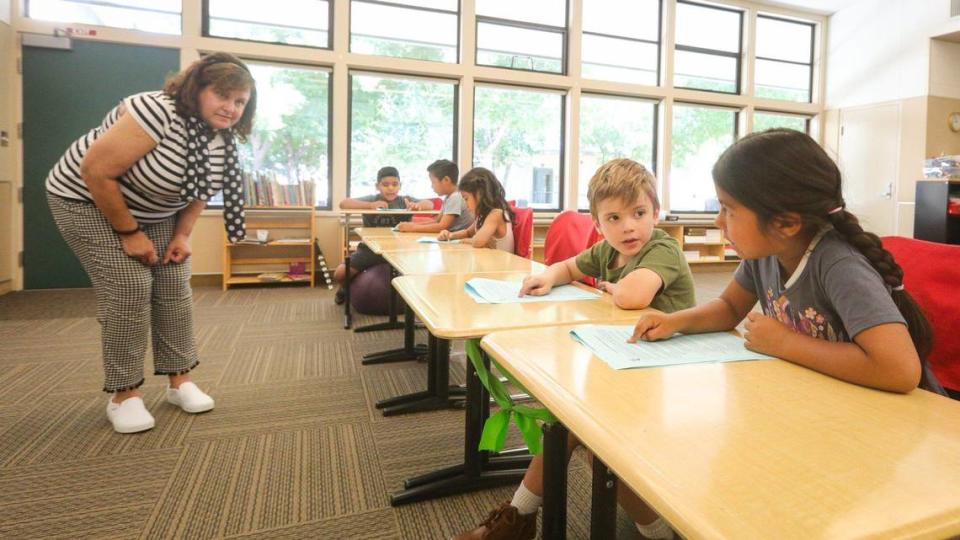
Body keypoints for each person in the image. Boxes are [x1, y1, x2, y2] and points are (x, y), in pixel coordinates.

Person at [454, 159, 696, 540]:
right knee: (567, 419)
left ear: (656, 213)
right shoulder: (606, 250)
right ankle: (519, 515)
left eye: (639, 213)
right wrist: (547, 278)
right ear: (597, 224)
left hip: (672, 369)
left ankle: (656, 532)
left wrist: (617, 290)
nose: (628, 226)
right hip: (628, 359)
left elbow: (634, 297)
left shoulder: (662, 248)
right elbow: (567, 267)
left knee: (592, 439)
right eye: (614, 218)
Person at [631, 129, 946, 397]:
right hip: (827, 398)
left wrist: (785, 343)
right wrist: (676, 322)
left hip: (896, 422)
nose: (718, 220)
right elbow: (729, 307)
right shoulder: (765, 254)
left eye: (729, 209)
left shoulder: (838, 265)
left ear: (786, 223)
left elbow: (899, 370)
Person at [45, 52, 257, 434]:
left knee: (174, 284)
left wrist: (181, 236)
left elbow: (199, 192)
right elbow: (95, 171)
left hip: (157, 212)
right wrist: (129, 233)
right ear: (197, 90)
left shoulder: (222, 139)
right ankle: (124, 395)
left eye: (240, 101)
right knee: (130, 286)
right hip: (85, 198)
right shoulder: (157, 112)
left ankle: (180, 381)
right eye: (222, 96)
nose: (231, 108)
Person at [333, 166, 431, 304]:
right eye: (385, 185)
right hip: (370, 249)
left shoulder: (405, 200)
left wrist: (418, 205)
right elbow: (343, 203)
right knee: (340, 274)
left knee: (422, 271)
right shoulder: (372, 199)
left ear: (400, 186)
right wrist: (370, 205)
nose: (390, 188)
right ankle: (345, 288)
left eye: (395, 184)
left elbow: (430, 203)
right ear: (377, 186)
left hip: (399, 250)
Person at [437, 167, 514, 252]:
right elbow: (468, 232)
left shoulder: (496, 214)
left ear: (480, 194)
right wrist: (450, 235)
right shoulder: (483, 215)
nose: (466, 204)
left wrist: (462, 241)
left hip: (501, 264)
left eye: (466, 198)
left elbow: (477, 242)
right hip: (490, 261)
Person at [395, 159, 473, 234]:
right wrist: (411, 225)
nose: (432, 186)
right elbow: (437, 221)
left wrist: (412, 228)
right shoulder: (449, 197)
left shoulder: (456, 197)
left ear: (446, 180)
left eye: (433, 182)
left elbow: (442, 227)